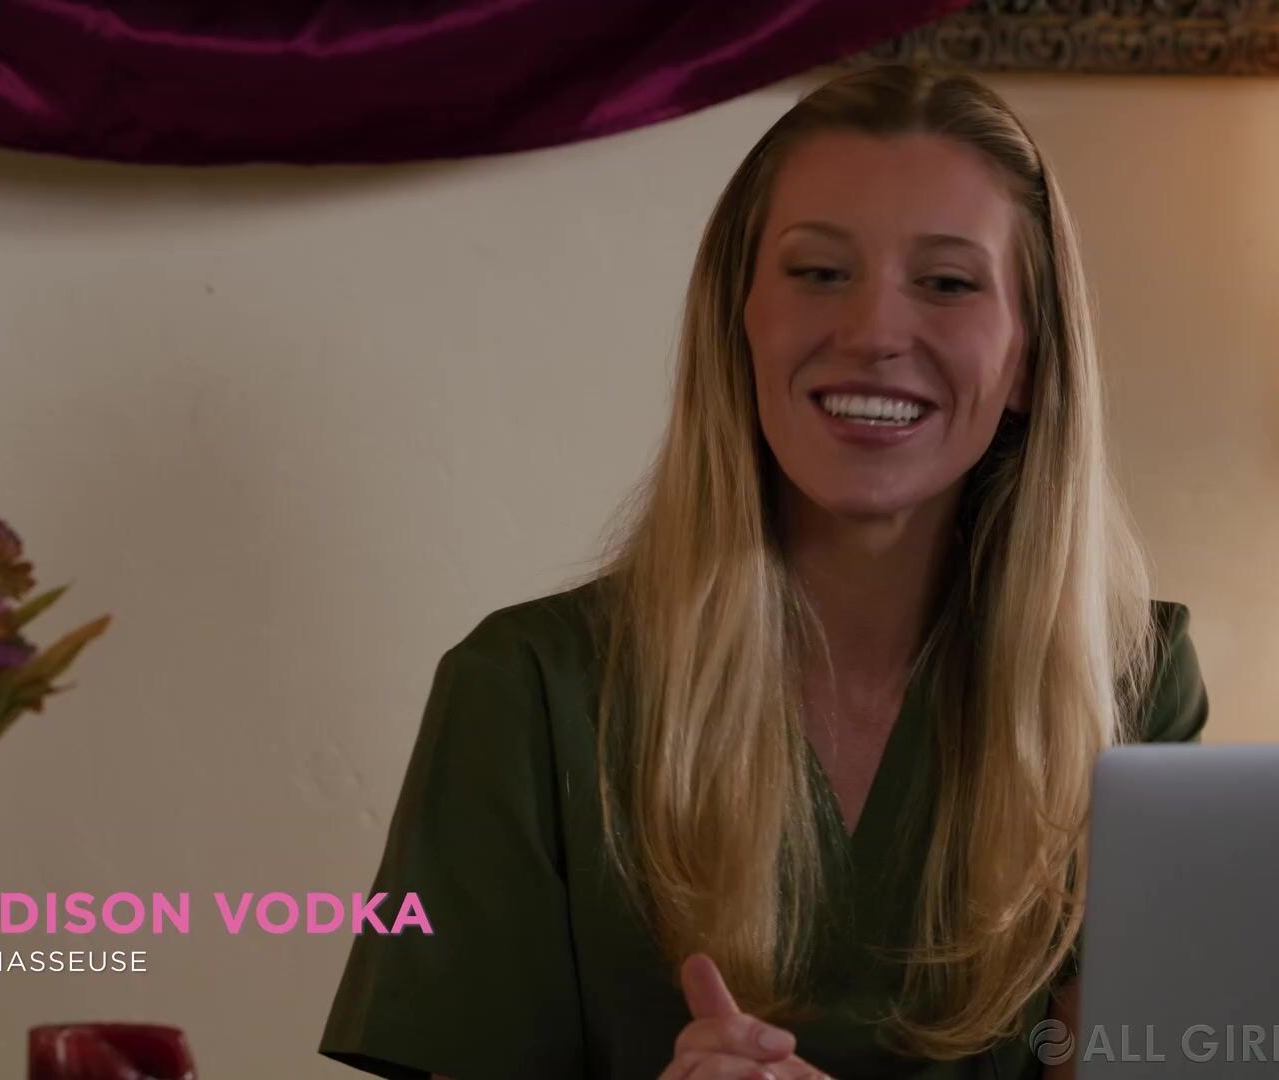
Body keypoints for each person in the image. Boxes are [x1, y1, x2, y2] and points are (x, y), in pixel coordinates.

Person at [318, 63, 1208, 1080]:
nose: (874, 333)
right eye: (819, 272)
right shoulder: (523, 692)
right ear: (736, 323)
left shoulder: (1133, 687)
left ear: (1030, 361)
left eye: (949, 283)